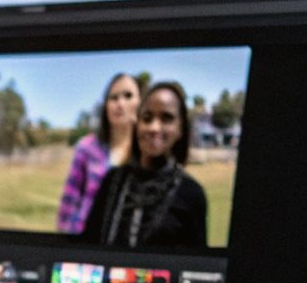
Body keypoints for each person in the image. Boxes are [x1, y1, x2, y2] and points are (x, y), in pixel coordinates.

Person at [81, 80, 208, 249]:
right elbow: (87, 247)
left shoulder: (191, 194)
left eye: (166, 118)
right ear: (137, 125)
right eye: (147, 118)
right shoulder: (112, 181)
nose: (154, 128)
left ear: (180, 129)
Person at [55, 73, 139, 234]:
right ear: (105, 105)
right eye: (113, 97)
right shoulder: (86, 147)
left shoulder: (145, 153)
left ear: (140, 102)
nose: (120, 103)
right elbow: (69, 202)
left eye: (128, 96)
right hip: (84, 240)